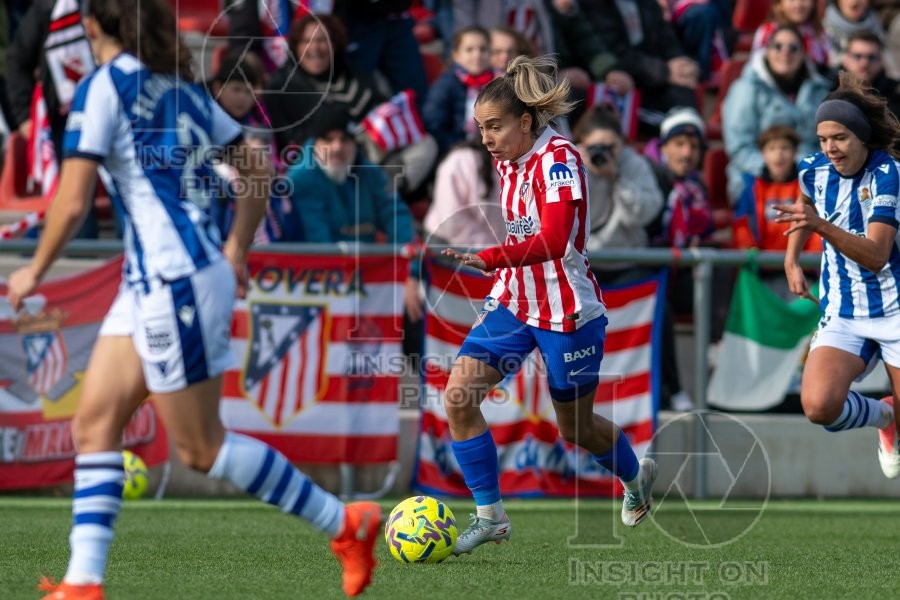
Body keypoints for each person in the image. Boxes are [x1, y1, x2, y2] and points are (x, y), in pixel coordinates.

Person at [5, 1, 380, 598]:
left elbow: (72, 203)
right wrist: (236, 249)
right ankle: (82, 583)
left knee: (202, 449)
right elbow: (256, 166)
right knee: (94, 424)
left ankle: (346, 523)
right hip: (157, 279)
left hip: (175, 281)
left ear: (90, 25)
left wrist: (33, 271)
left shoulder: (103, 86)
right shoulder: (176, 88)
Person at [440, 54, 659, 556]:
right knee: (457, 396)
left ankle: (634, 476)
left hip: (565, 312)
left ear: (524, 121)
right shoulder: (505, 159)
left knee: (575, 427)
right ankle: (490, 517)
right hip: (516, 303)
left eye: (494, 126)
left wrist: (491, 257)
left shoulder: (559, 159)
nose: (486, 138)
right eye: (480, 128)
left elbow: (557, 240)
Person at [774, 72, 900, 480]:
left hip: (895, 308)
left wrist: (819, 227)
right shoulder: (813, 169)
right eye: (824, 138)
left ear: (862, 137)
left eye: (840, 138)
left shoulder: (888, 175)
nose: (830, 148)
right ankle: (885, 417)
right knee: (819, 406)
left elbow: (878, 255)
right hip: (843, 310)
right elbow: (803, 204)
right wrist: (792, 259)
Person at [722, 24, 831, 202]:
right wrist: (771, 168)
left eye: (793, 47)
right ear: (766, 51)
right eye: (778, 46)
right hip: (756, 175)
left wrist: (801, 166)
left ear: (803, 53)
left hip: (810, 174)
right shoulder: (745, 88)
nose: (785, 52)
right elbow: (739, 146)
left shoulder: (819, 89)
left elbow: (826, 141)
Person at [831, 30, 900, 118]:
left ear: (881, 61)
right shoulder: (828, 89)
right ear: (846, 58)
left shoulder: (895, 93)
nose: (864, 63)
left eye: (871, 57)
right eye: (857, 56)